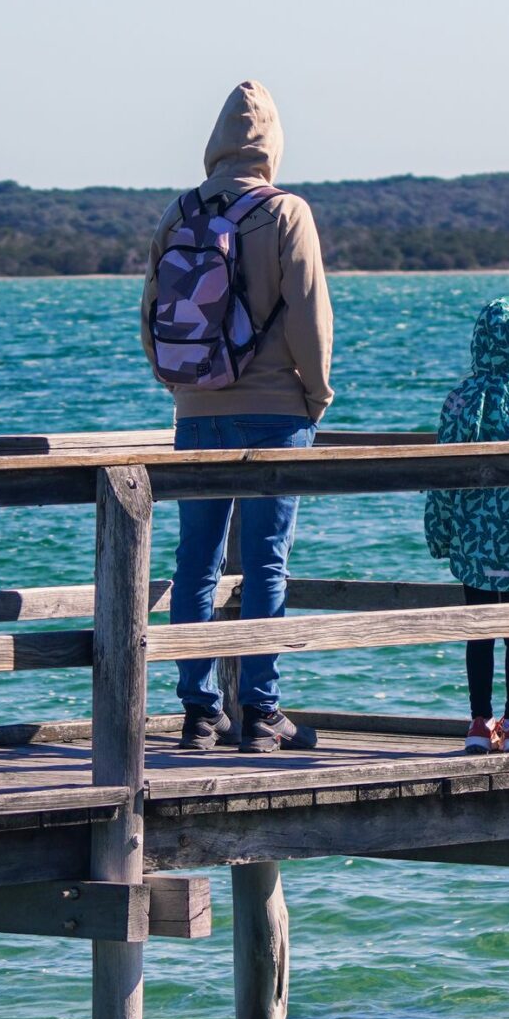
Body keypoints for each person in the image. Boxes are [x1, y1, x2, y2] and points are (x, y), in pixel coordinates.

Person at [141, 80, 333, 752]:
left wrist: (183, 389)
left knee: (195, 562)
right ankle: (260, 710)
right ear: (273, 145)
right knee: (265, 563)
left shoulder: (181, 210)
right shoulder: (286, 212)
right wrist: (317, 395)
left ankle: (197, 710)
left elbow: (150, 316)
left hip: (195, 410)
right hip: (276, 411)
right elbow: (310, 314)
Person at [423, 296, 509, 754]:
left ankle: (479, 724)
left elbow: (440, 478)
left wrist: (440, 531)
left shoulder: (460, 400)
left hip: (472, 534)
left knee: (478, 626)